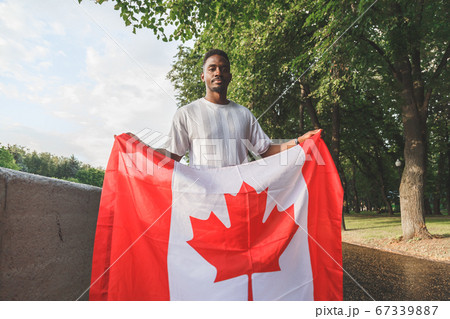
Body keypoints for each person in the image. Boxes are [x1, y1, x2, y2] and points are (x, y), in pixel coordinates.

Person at [162, 49, 319, 168]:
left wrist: (299, 141)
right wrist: (139, 149)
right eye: (212, 68)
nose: (218, 72)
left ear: (230, 76)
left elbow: (265, 150)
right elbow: (172, 155)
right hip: (203, 202)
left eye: (223, 69)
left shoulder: (243, 114)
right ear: (203, 76)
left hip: (237, 199)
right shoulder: (187, 113)